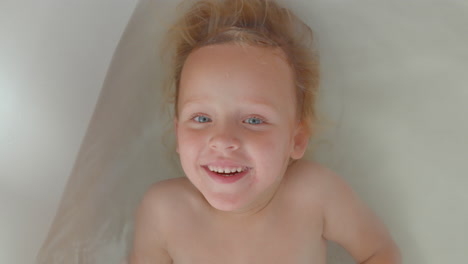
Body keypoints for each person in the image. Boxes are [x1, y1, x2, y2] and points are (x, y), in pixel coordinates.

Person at [129, 0, 401, 263]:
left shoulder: (315, 195)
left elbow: (379, 251)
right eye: (201, 117)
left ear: (296, 139)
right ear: (178, 133)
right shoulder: (163, 212)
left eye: (254, 120)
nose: (223, 140)